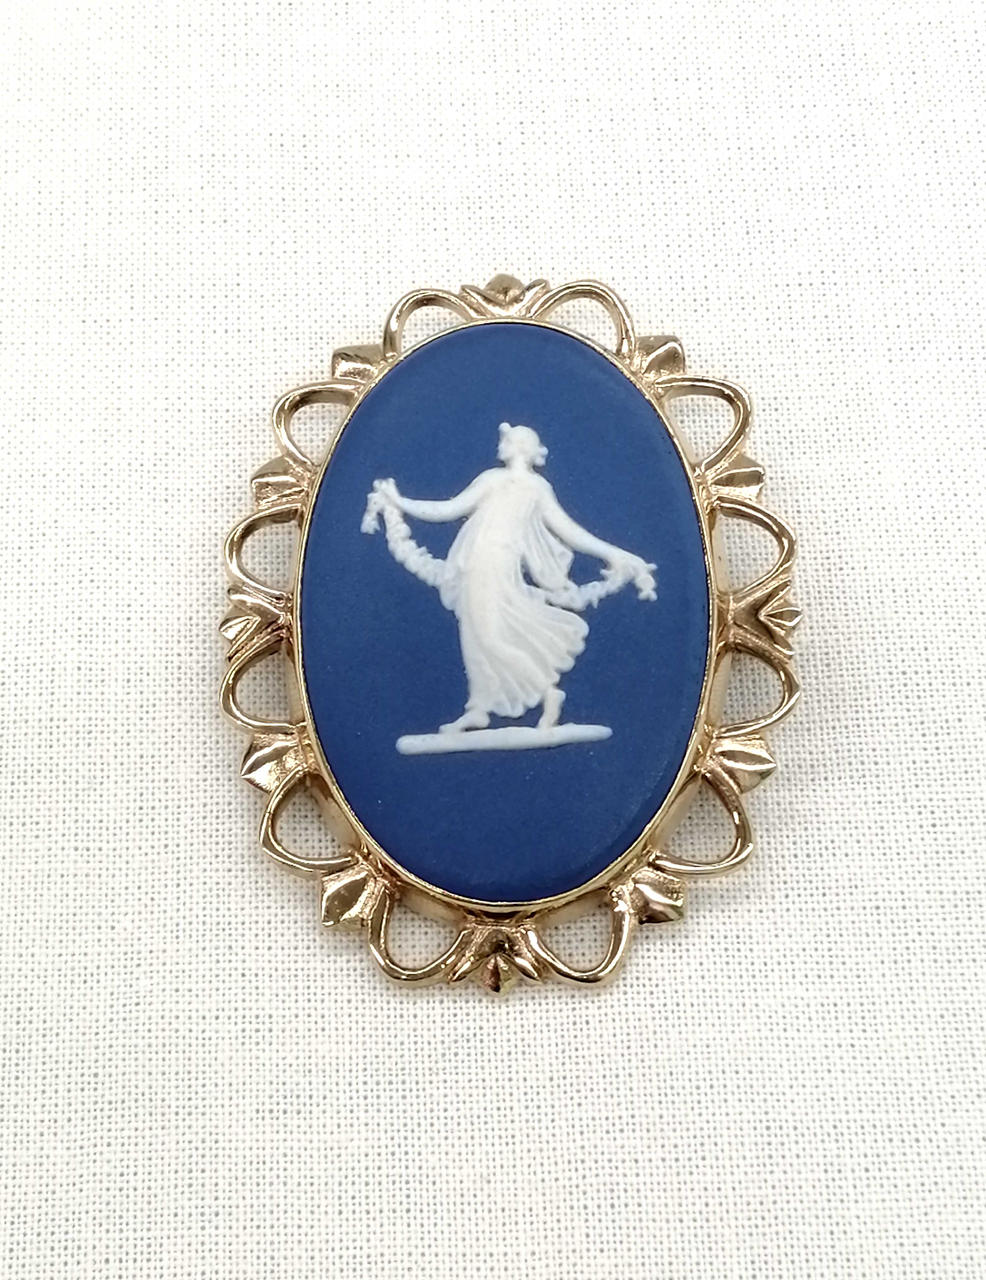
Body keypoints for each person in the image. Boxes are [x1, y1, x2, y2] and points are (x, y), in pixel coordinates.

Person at [368, 422, 656, 735]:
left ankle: (547, 692)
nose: (500, 445)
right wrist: (402, 502)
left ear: (519, 447)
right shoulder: (495, 479)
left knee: (489, 637)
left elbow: (569, 531)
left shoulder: (530, 487)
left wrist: (612, 553)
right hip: (475, 564)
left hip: (494, 565)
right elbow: (450, 509)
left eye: (506, 440)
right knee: (474, 635)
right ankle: (478, 709)